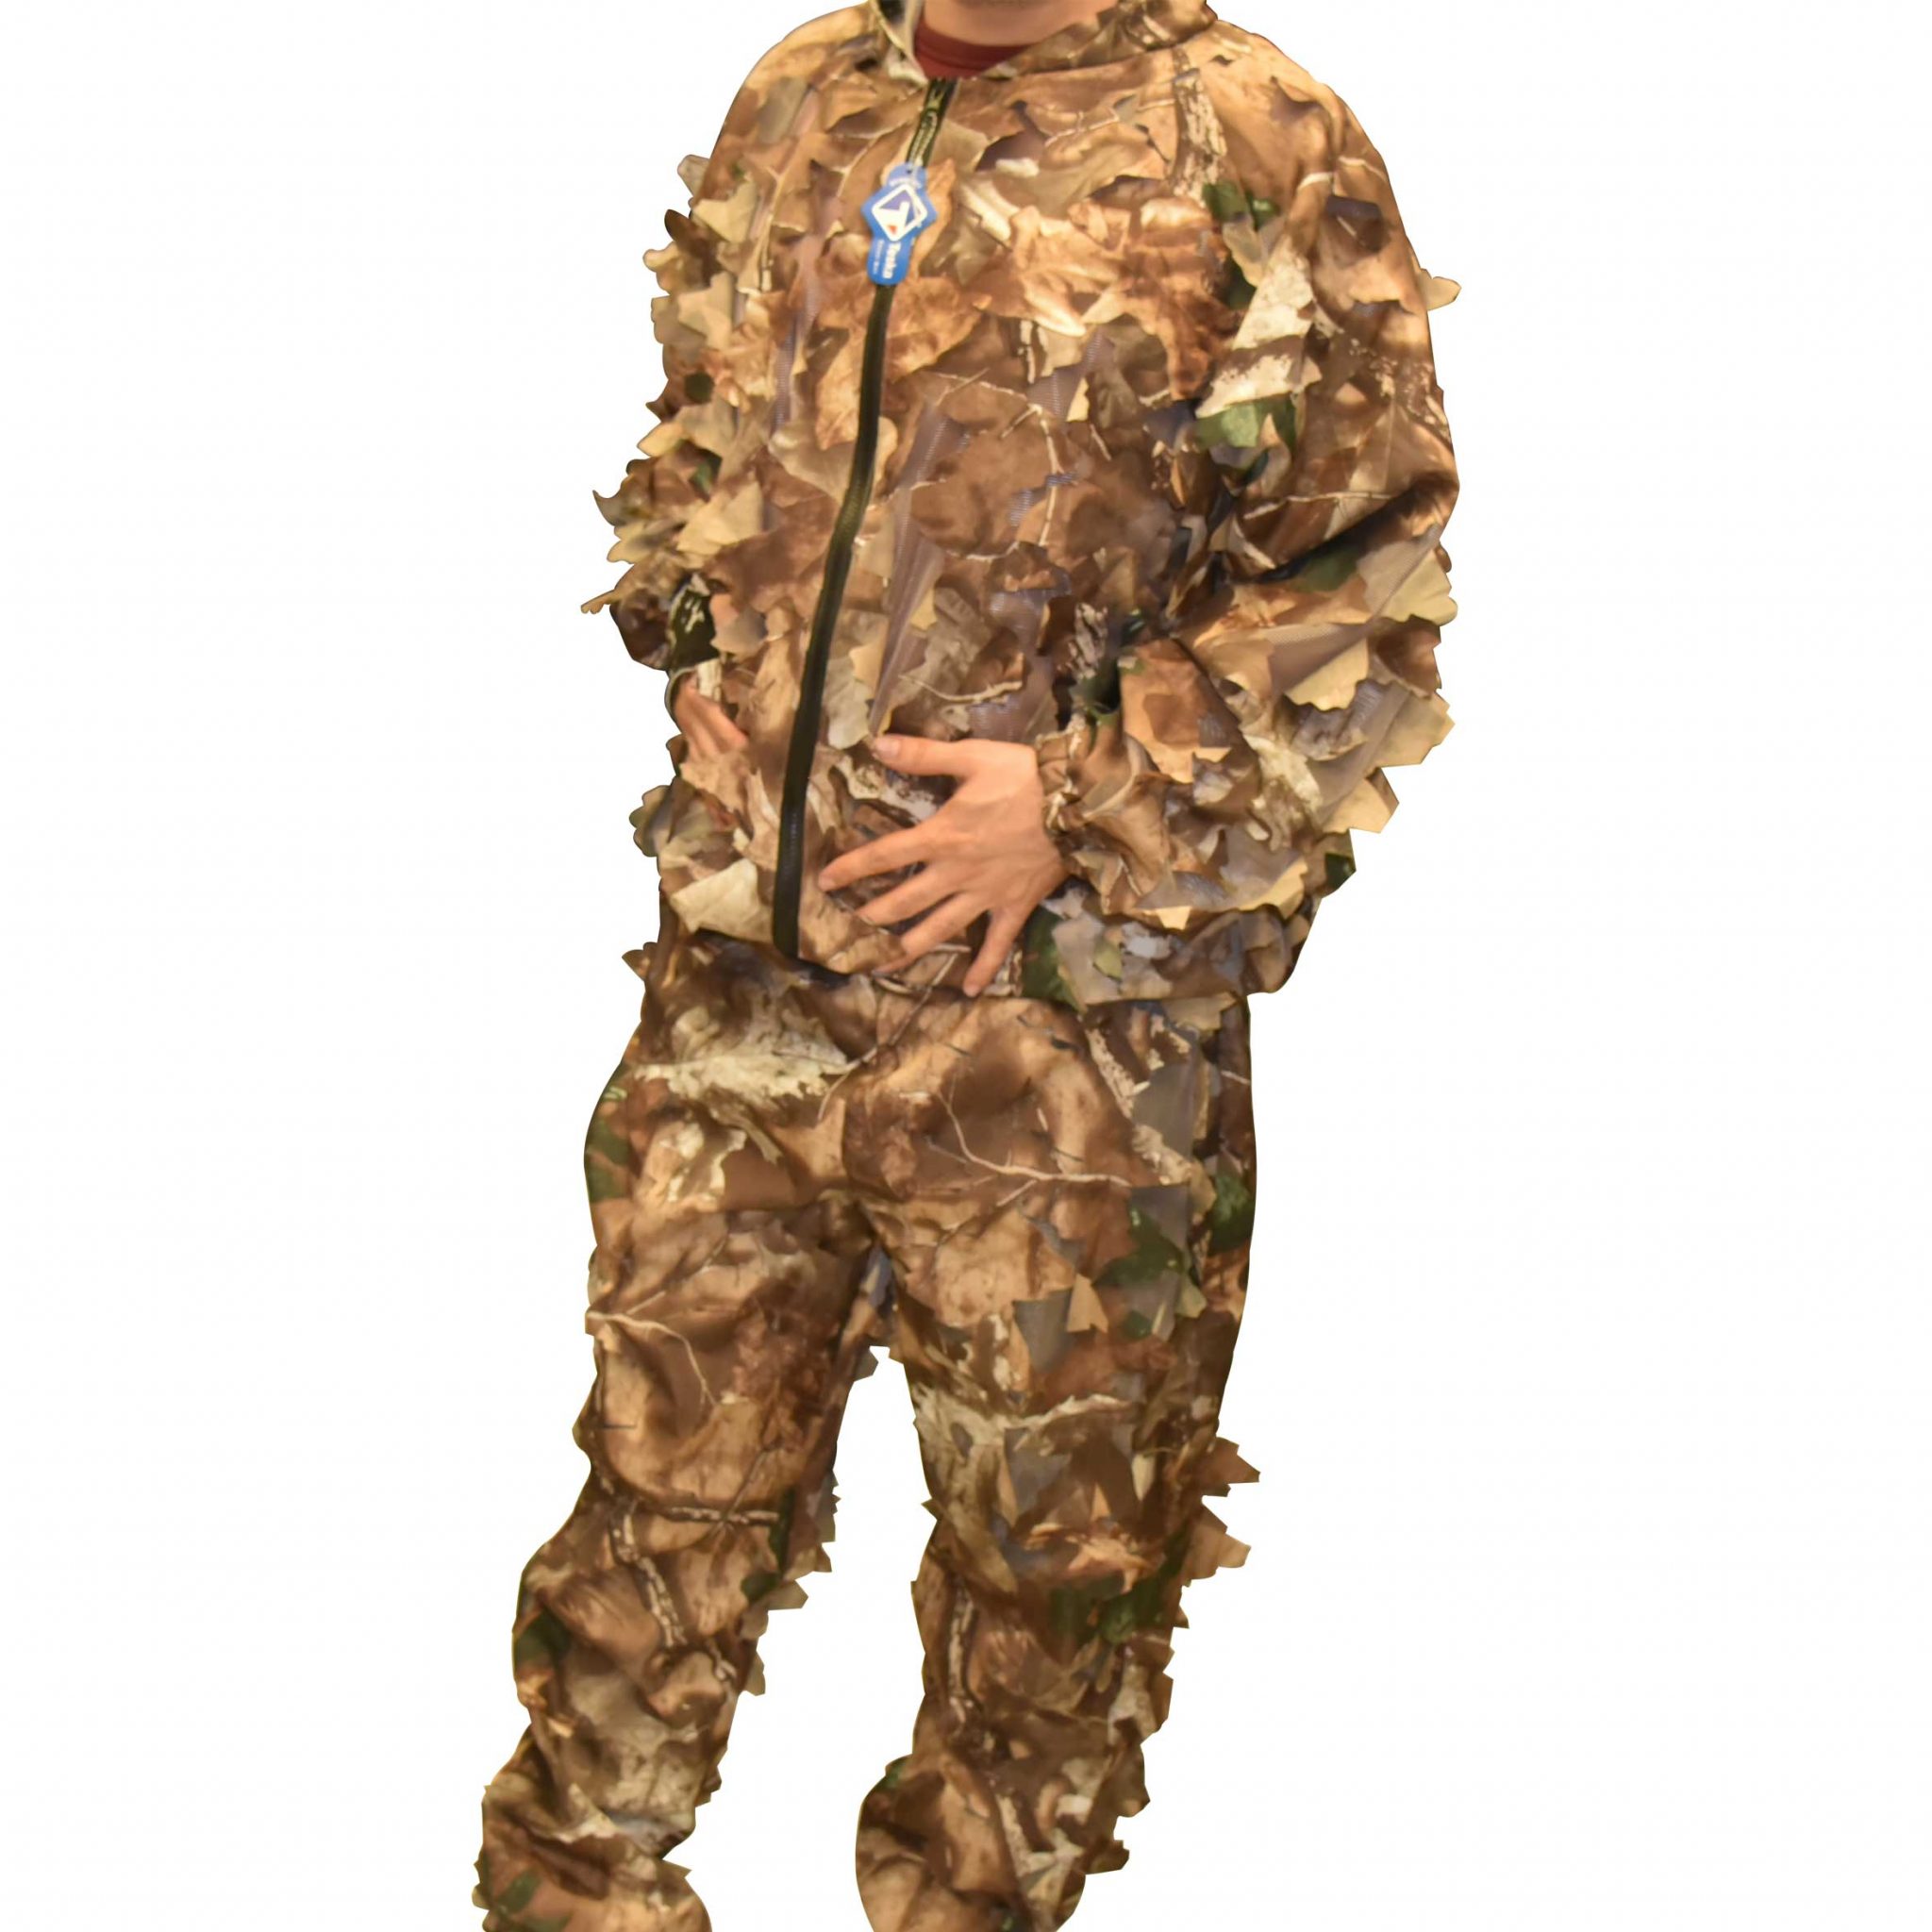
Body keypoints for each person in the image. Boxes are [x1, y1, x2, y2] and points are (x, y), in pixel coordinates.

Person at [475, 0, 1460, 1926]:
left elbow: (1364, 574)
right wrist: (692, 630)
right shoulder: (804, 92)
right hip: (742, 1008)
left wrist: (1081, 804)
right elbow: (702, 421)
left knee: (1049, 1591)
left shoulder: (1252, 136)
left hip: (1066, 1053)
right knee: (653, 1523)